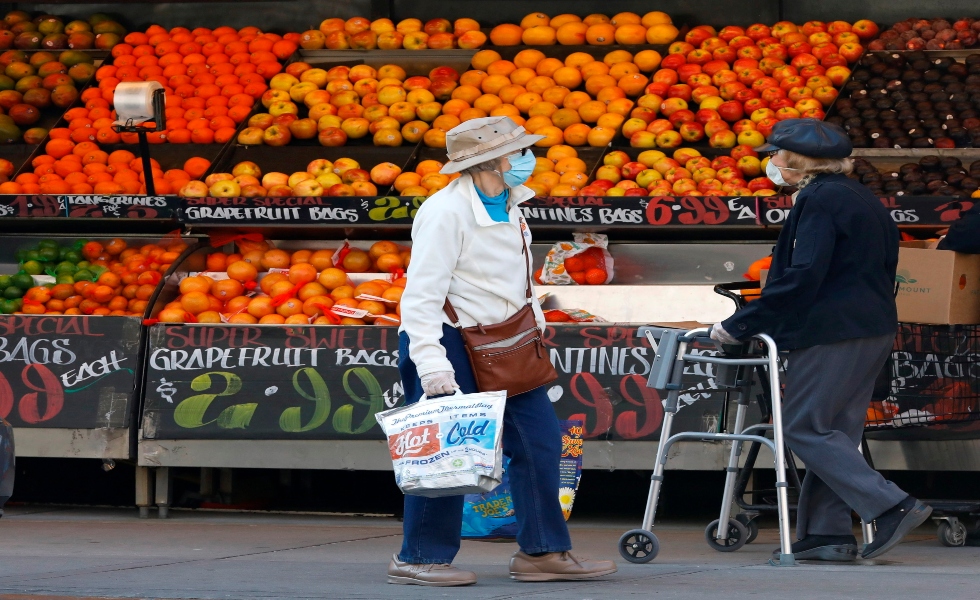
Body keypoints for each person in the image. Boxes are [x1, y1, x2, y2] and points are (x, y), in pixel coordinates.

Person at [387, 116, 617, 586]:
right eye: (520, 152)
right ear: (491, 162)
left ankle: (543, 552)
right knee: (447, 454)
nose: (529, 160)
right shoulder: (445, 212)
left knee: (540, 443)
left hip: (505, 341)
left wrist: (534, 322)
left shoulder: (512, 203)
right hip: (450, 341)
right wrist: (431, 364)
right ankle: (417, 557)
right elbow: (421, 296)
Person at [711, 119, 932, 562]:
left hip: (833, 329)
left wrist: (740, 323)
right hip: (870, 325)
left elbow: (802, 275)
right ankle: (826, 533)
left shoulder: (818, 200)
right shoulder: (857, 196)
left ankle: (892, 504)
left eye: (775, 155)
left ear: (795, 162)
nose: (771, 162)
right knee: (835, 432)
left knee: (804, 426)